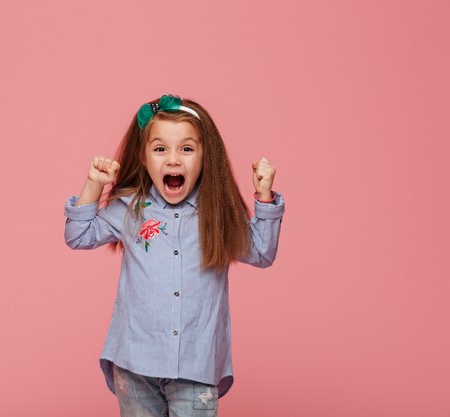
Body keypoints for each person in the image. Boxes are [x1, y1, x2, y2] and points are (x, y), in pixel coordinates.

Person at [64, 94, 285, 417]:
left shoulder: (218, 214)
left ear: (205, 156)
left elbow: (262, 253)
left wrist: (264, 197)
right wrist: (93, 186)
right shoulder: (130, 208)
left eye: (186, 148)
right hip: (135, 364)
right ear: (143, 157)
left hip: (196, 368)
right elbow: (77, 235)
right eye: (160, 149)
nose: (173, 160)